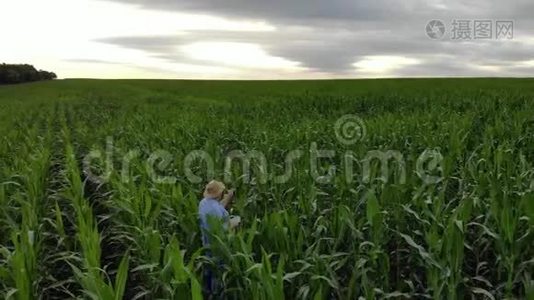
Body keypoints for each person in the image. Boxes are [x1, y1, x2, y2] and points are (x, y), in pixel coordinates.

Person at [198, 180, 240, 297]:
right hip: (219, 250)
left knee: (208, 274)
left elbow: (216, 207)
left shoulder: (203, 203)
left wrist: (228, 198)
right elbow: (223, 230)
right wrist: (235, 222)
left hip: (206, 246)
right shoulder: (217, 210)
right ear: (220, 194)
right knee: (218, 280)